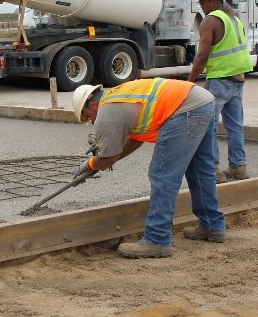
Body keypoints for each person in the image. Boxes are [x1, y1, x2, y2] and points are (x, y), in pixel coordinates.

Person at [72, 78, 226, 258]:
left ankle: (157, 239)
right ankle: (212, 225)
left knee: (162, 173)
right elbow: (135, 140)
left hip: (183, 109)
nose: (91, 122)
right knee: (200, 169)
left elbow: (109, 156)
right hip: (202, 101)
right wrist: (107, 160)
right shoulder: (118, 97)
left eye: (87, 117)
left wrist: (91, 164)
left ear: (91, 105)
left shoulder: (107, 111)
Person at [188, 0, 254, 183]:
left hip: (220, 80)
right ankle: (238, 167)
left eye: (202, 3)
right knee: (235, 126)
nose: (201, 7)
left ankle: (214, 170)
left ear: (211, 1)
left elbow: (202, 56)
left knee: (209, 125)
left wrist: (190, 82)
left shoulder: (210, 21)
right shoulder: (233, 19)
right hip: (238, 79)